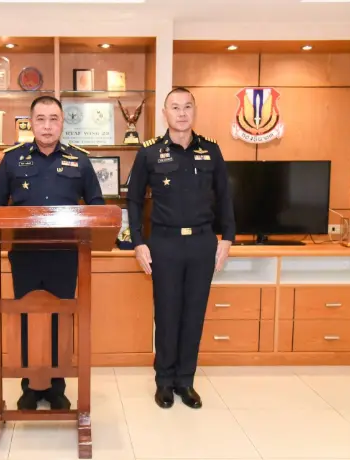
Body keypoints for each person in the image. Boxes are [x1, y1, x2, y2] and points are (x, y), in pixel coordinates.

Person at [0, 95, 105, 411]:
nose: (47, 126)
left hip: (65, 256)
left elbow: (97, 206)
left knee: (60, 320)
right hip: (25, 255)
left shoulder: (79, 161)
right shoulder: (12, 160)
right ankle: (29, 387)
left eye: (54, 119)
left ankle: (56, 387)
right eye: (41, 119)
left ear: (62, 123)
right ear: (31, 123)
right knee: (26, 318)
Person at [126, 87, 235, 409]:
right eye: (175, 107)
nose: (182, 113)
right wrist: (138, 242)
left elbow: (225, 197)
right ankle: (164, 381)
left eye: (187, 107)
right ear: (165, 114)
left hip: (202, 242)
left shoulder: (211, 151)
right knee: (167, 313)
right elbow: (133, 200)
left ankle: (185, 381)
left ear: (194, 111)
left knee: (194, 314)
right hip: (165, 243)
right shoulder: (149, 153)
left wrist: (227, 238)